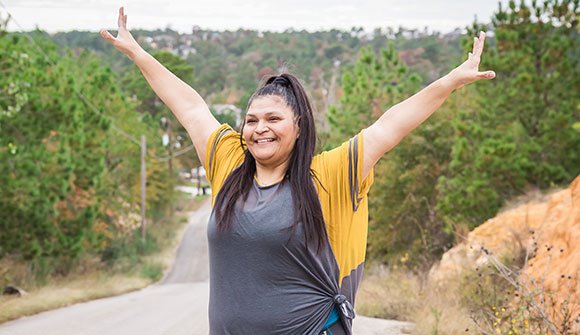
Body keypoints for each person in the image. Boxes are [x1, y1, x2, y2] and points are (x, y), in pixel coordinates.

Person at [101, 7, 495, 335]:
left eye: (274, 119)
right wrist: (137, 52)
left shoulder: (331, 174)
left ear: (299, 125)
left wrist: (451, 81)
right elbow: (188, 106)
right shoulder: (228, 163)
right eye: (252, 120)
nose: (260, 129)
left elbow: (389, 125)